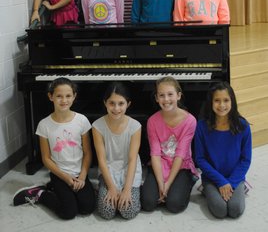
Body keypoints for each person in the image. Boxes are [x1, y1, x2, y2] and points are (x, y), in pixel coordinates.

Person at [13, 77, 96, 220]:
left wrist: (82, 176)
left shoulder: (82, 120)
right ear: (50, 97)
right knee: (68, 213)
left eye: (68, 96)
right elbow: (46, 158)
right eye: (59, 96)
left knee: (87, 208)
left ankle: (58, 188)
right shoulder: (44, 125)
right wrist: (66, 178)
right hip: (60, 174)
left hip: (79, 173)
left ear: (74, 96)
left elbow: (88, 153)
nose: (64, 100)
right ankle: (40, 194)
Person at [194, 81, 252, 219]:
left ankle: (241, 185)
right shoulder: (202, 126)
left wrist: (230, 183)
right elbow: (200, 159)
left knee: (235, 209)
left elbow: (246, 159)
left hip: (234, 177)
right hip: (212, 177)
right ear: (211, 102)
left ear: (232, 101)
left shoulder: (243, 126)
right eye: (217, 101)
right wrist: (221, 181)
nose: (222, 105)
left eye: (226, 100)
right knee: (220, 210)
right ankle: (206, 188)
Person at [141, 77, 198, 213]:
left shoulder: (190, 121)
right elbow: (155, 154)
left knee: (174, 205)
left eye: (170, 94)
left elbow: (180, 155)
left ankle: (189, 180)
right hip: (160, 163)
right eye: (161, 95)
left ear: (178, 95)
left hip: (181, 165)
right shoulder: (152, 121)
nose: (166, 99)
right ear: (156, 98)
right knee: (148, 204)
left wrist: (168, 185)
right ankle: (161, 186)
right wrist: (161, 184)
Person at [92, 82, 142, 219]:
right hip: (108, 170)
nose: (116, 108)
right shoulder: (97, 126)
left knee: (128, 211)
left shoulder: (135, 126)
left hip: (129, 171)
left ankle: (134, 190)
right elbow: (101, 160)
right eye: (111, 103)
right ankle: (102, 188)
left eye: (121, 103)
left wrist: (126, 190)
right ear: (105, 103)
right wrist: (112, 188)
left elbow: (132, 160)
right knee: (107, 212)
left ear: (128, 104)